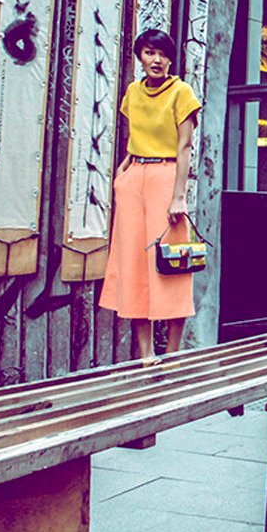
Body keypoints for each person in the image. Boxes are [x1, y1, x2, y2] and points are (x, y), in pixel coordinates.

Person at [99, 29, 202, 359]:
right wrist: (124, 169)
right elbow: (135, 135)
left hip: (166, 177)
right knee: (134, 265)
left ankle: (171, 357)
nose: (156, 59)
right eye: (149, 52)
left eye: (162, 53)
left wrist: (179, 196)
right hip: (134, 179)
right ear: (139, 57)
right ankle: (146, 358)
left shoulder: (181, 92)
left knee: (171, 263)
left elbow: (185, 146)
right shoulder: (133, 92)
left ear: (170, 58)